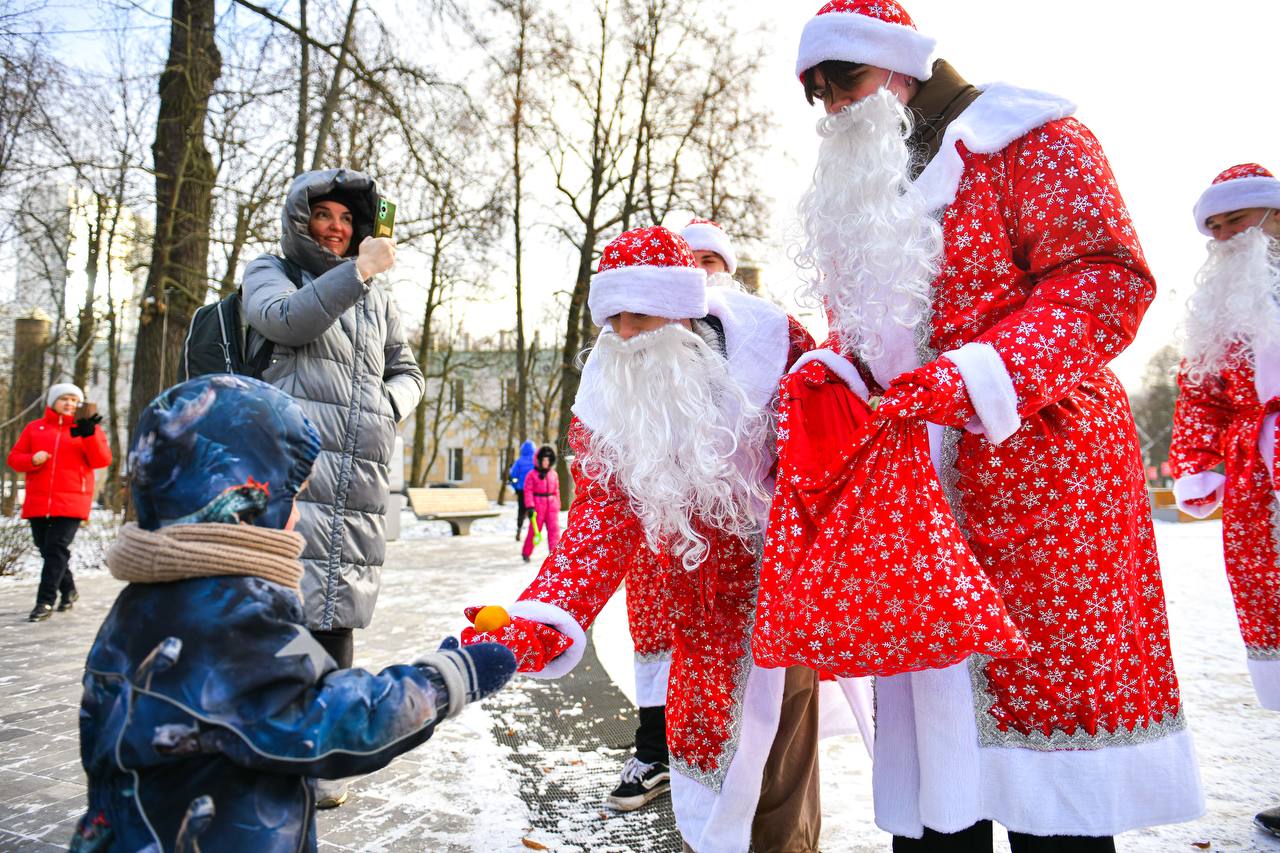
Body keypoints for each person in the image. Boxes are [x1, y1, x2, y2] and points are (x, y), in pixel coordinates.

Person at [785, 1, 1203, 849]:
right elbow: (868, 342)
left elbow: (1105, 278)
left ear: (901, 67)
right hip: (910, 504)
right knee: (939, 783)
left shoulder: (1032, 138)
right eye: (816, 93)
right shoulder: (863, 191)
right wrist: (831, 377)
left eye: (845, 81)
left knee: (1047, 773)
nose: (832, 106)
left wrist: (973, 375)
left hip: (1040, 490)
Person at [463, 226, 867, 853]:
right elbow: (602, 515)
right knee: (704, 763)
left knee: (776, 768)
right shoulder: (609, 380)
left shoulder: (772, 342)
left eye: (639, 314)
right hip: (695, 608)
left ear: (683, 307)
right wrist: (545, 617)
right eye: (612, 318)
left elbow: (829, 459)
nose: (623, 334)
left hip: (779, 594)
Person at [69, 374, 516, 852]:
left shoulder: (147, 601)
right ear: (241, 502)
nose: (299, 516)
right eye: (293, 497)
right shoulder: (230, 616)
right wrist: (446, 679)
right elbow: (324, 722)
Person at [241, 168, 425, 807]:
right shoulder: (270, 271)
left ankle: (318, 760)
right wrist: (359, 274)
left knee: (336, 617)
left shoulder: (379, 298)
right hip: (293, 469)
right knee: (282, 611)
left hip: (357, 477)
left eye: (349, 219)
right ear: (301, 219)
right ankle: (269, 751)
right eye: (325, 215)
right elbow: (285, 322)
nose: (338, 228)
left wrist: (387, 406)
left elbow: (408, 369)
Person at [1168, 163, 1280, 838]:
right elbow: (1200, 393)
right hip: (1255, 491)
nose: (1222, 236)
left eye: (1234, 220)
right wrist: (1199, 466)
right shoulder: (1220, 312)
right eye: (1213, 226)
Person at [6, 382, 111, 622]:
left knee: (55, 549)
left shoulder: (86, 428)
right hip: (39, 500)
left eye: (74, 400)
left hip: (73, 500)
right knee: (47, 549)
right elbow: (14, 458)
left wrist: (90, 435)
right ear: (53, 402)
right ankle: (69, 589)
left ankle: (44, 601)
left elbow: (101, 460)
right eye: (65, 399)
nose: (70, 404)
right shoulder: (35, 428)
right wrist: (32, 459)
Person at [520, 444, 561, 562]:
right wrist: (530, 506)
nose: (546, 462)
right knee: (534, 530)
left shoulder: (553, 474)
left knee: (554, 531)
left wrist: (558, 504)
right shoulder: (531, 475)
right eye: (543, 459)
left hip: (551, 505)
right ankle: (526, 553)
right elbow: (528, 491)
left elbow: (556, 490)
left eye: (548, 460)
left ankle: (555, 556)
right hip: (537, 506)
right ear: (538, 460)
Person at [509, 440, 536, 541]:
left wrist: (516, 487)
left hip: (522, 490)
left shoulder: (519, 461)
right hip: (533, 491)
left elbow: (513, 476)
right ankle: (533, 531)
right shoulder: (536, 461)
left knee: (521, 511)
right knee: (532, 510)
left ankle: (519, 530)